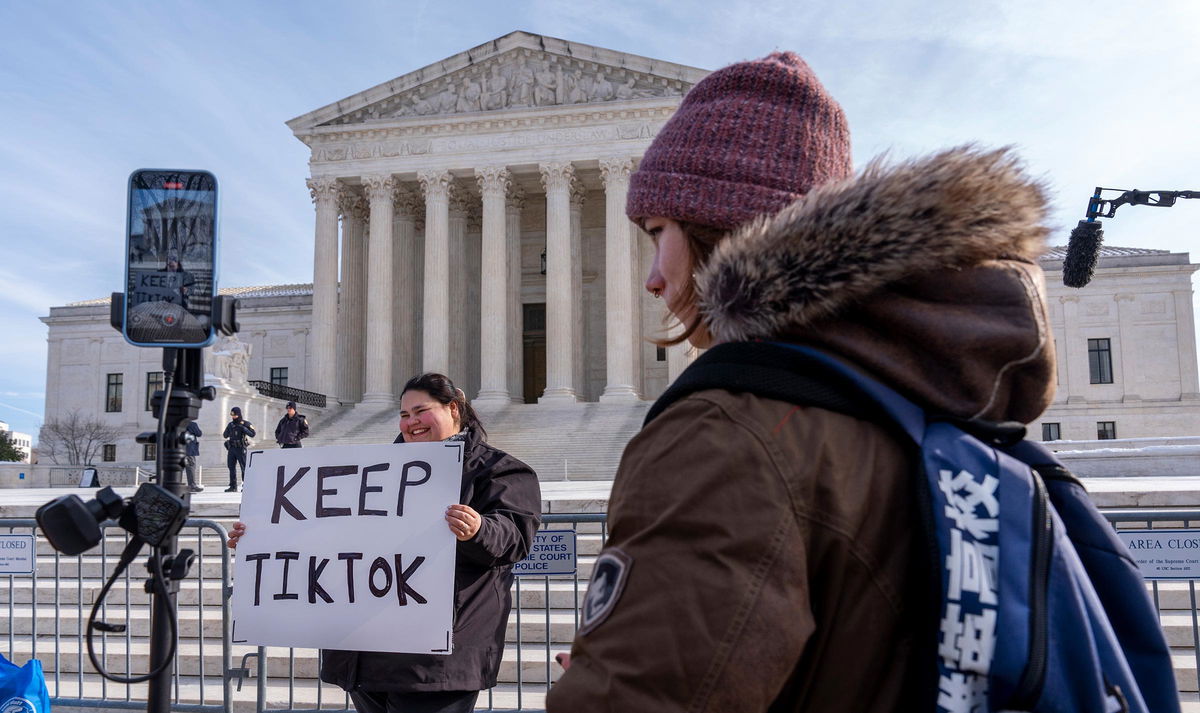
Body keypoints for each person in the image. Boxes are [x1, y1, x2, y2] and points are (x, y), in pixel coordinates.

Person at [546, 52, 1056, 712]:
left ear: (716, 225)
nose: (650, 276)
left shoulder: (729, 436)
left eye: (657, 232)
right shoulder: (916, 397)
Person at [228, 373, 541, 713]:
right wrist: (261, 537)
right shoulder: (368, 473)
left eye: (421, 411)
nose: (411, 422)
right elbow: (327, 537)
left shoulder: (499, 470)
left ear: (453, 409)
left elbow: (514, 537)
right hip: (364, 654)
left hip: (437, 660)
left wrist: (478, 529)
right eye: (404, 415)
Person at [222, 406, 255, 492]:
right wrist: (229, 431)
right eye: (232, 415)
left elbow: (252, 434)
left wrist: (243, 429)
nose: (233, 417)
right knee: (231, 467)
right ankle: (233, 486)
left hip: (241, 448)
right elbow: (225, 435)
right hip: (232, 448)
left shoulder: (245, 423)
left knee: (243, 467)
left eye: (235, 415)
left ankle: (246, 486)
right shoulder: (231, 424)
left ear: (239, 414)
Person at [183, 420, 204, 492]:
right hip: (189, 450)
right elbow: (199, 433)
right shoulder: (192, 424)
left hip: (179, 450)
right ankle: (192, 486)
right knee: (191, 468)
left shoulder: (178, 424)